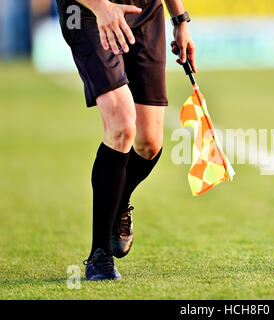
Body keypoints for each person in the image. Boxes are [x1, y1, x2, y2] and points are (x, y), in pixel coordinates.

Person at [56, 0, 196, 280]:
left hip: (145, 12)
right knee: (121, 125)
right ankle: (99, 257)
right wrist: (101, 7)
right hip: (86, 13)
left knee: (149, 143)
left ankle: (119, 202)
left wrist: (180, 20)